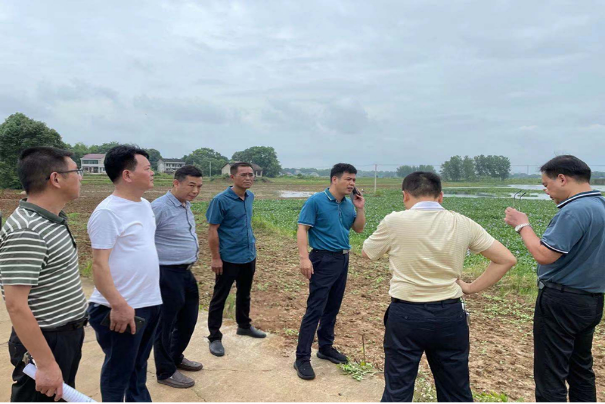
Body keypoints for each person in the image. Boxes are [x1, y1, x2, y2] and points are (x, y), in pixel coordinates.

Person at [363, 172, 517, 403]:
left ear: (405, 196)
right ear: (441, 196)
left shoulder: (395, 221)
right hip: (449, 315)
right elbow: (506, 259)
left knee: (398, 389)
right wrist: (470, 288)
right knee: (455, 391)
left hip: (406, 315)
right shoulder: (462, 222)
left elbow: (368, 252)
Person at [505, 155, 605, 403]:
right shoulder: (601, 205)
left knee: (551, 374)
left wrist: (522, 225)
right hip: (591, 300)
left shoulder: (574, 211)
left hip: (561, 300)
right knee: (581, 370)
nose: (546, 191)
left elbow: (544, 255)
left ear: (562, 179)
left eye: (546, 184)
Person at [0, 147, 88, 403]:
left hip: (65, 336)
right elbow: (16, 305)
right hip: (46, 340)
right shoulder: (27, 230)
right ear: (56, 178)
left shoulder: (52, 219)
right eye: (76, 171)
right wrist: (46, 364)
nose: (80, 177)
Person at [87, 146, 162, 403]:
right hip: (120, 307)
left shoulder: (145, 206)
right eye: (147, 168)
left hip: (148, 303)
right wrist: (118, 305)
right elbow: (99, 264)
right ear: (127, 175)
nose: (152, 173)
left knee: (138, 370)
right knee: (118, 373)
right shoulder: (107, 212)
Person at [294, 163, 366, 381]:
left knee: (333, 307)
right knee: (315, 308)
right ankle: (302, 358)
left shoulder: (348, 204)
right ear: (335, 179)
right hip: (322, 258)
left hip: (342, 258)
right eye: (348, 179)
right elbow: (302, 228)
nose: (352, 183)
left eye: (354, 180)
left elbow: (358, 228)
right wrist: (304, 258)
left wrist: (360, 207)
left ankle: (325, 347)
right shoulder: (316, 201)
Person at [206, 162, 266, 357]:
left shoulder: (250, 197)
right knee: (220, 297)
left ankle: (244, 325)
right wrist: (216, 258)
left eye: (251, 174)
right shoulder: (220, 200)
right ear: (232, 177)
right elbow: (213, 230)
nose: (248, 178)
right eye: (243, 175)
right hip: (228, 257)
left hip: (248, 255)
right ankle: (214, 337)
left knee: (244, 293)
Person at [152, 166, 204, 389]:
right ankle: (165, 371)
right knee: (165, 323)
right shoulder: (159, 207)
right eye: (191, 185)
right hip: (166, 272)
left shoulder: (185, 205)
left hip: (185, 271)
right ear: (176, 183)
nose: (195, 191)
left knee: (188, 319)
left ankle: (175, 356)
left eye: (199, 186)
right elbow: (142, 240)